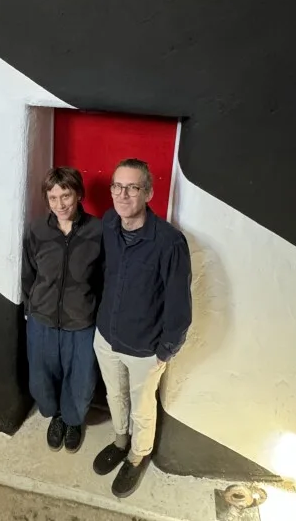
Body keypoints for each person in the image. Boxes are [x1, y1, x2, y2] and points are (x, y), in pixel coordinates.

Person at [92, 158, 192, 498]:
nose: (123, 194)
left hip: (145, 349)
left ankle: (137, 456)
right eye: (117, 186)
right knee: (114, 395)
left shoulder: (169, 243)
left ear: (147, 192)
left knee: (142, 406)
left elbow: (180, 308)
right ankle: (120, 442)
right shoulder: (108, 223)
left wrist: (164, 352)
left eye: (132, 187)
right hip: (106, 337)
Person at [21, 166, 104, 453]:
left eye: (65, 196)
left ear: (78, 195)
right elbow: (28, 272)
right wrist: (32, 307)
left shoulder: (98, 231)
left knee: (80, 378)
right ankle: (56, 416)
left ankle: (73, 420)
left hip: (81, 320)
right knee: (43, 375)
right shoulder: (36, 230)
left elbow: (104, 277)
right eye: (53, 198)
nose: (60, 204)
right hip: (41, 319)